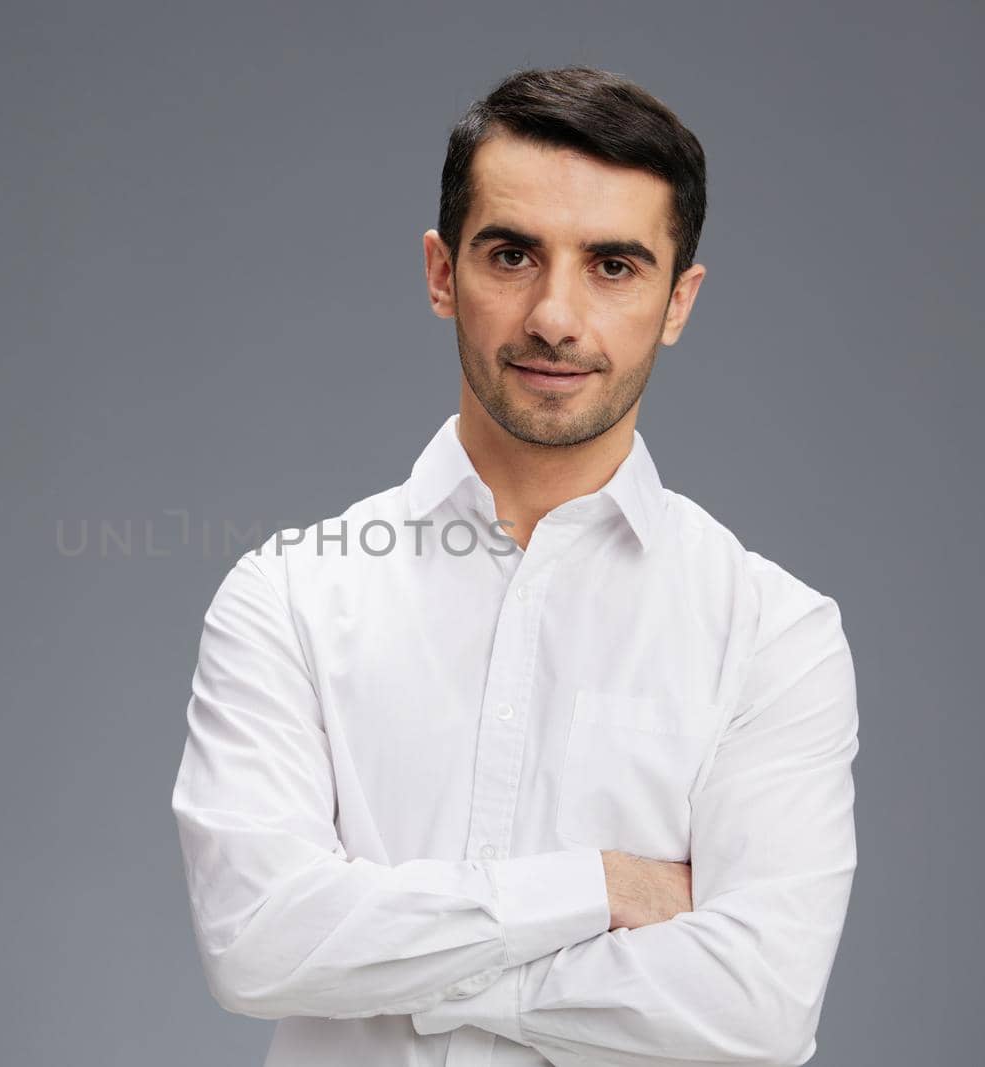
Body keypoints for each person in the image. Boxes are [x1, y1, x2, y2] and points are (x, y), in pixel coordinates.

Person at [170, 66, 858, 1067]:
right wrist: (602, 886)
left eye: (614, 265)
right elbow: (256, 942)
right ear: (442, 272)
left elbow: (758, 1003)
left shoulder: (771, 632)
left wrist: (409, 969)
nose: (554, 316)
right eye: (512, 254)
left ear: (678, 298)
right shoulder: (290, 596)